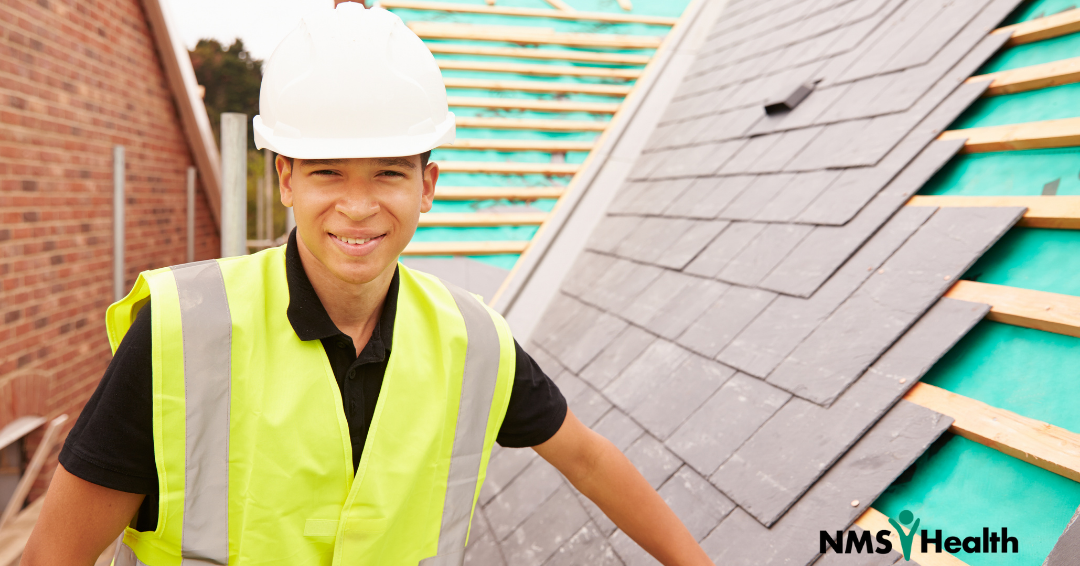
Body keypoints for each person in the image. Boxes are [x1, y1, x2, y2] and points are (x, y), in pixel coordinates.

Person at [22, 4, 713, 565]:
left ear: (427, 186)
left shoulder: (472, 342)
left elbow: (588, 460)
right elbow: (56, 554)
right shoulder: (182, 331)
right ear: (286, 178)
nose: (357, 207)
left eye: (388, 172)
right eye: (327, 172)